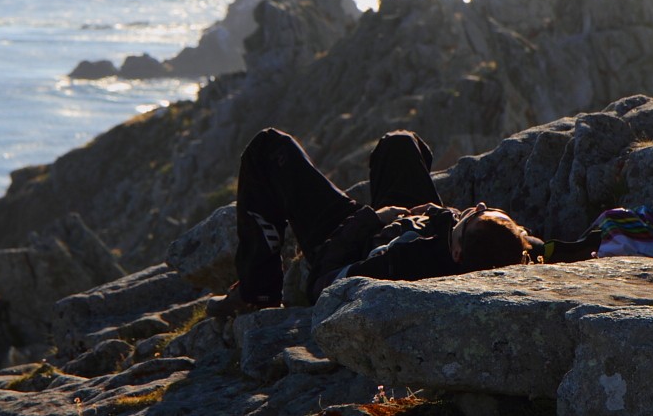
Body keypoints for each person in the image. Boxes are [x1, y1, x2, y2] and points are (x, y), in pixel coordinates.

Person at [209, 128, 599, 316]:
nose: (476, 206)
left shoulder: (400, 264)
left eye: (470, 219)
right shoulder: (483, 251)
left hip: (355, 239)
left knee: (268, 148)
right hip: (416, 224)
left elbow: (323, 282)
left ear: (458, 250)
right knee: (400, 144)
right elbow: (526, 245)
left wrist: (370, 219)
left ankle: (257, 293)